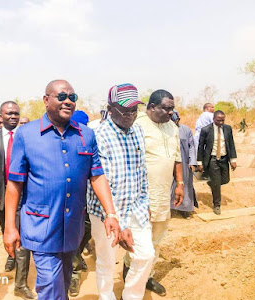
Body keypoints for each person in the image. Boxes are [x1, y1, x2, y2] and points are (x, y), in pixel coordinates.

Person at [3, 79, 121, 300]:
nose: (68, 101)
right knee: (50, 287)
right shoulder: (26, 135)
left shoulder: (86, 134)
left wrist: (111, 213)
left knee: (64, 282)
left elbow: (97, 176)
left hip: (72, 226)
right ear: (46, 100)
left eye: (72, 98)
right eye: (62, 96)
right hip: (41, 227)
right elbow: (15, 183)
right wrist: (10, 226)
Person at [88, 83, 155, 300]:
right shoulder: (96, 133)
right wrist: (119, 221)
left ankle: (131, 296)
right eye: (124, 110)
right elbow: (98, 180)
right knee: (107, 259)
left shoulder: (138, 131)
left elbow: (141, 172)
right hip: (106, 213)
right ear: (110, 108)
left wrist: (146, 204)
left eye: (134, 110)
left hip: (136, 207)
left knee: (146, 255)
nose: (130, 115)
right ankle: (106, 296)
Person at [124, 89, 184, 296]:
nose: (170, 113)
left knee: (157, 236)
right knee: (140, 238)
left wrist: (180, 184)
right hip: (141, 195)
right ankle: (129, 274)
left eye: (172, 109)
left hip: (162, 194)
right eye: (166, 108)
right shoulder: (136, 125)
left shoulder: (172, 128)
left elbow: (177, 157)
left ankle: (147, 276)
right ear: (151, 107)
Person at [0, 101, 36, 299]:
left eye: (16, 113)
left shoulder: (29, 138)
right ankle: (11, 255)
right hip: (1, 198)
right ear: (0, 116)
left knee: (22, 240)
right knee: (7, 231)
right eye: (9, 113)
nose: (13, 116)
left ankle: (20, 284)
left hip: (26, 197)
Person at [68, 110, 92, 297]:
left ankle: (76, 257)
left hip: (89, 199)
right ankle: (74, 275)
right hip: (69, 202)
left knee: (87, 231)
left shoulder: (90, 141)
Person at [197, 110, 237, 215]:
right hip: (212, 159)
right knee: (217, 184)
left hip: (224, 158)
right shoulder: (205, 130)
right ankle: (217, 205)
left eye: (222, 120)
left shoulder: (228, 129)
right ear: (214, 119)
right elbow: (200, 147)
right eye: (218, 120)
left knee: (225, 179)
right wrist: (199, 162)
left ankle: (212, 183)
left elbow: (231, 144)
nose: (220, 123)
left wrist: (233, 159)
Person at [170, 110, 198, 219]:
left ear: (178, 120)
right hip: (169, 163)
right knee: (170, 186)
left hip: (184, 163)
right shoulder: (165, 130)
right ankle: (171, 208)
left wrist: (192, 162)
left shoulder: (186, 130)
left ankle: (185, 210)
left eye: (175, 121)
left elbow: (191, 147)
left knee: (185, 185)